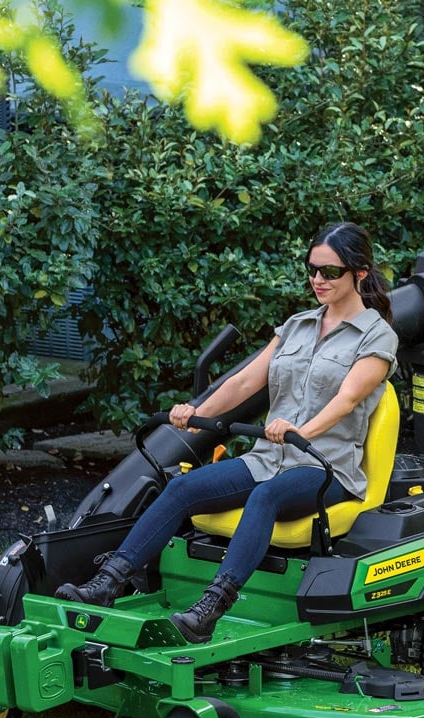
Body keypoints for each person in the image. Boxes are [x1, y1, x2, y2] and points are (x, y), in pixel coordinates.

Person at [55, 221, 399, 643]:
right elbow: (241, 384)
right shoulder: (297, 326)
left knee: (266, 496)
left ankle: (209, 608)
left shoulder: (377, 336)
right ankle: (106, 584)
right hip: (268, 458)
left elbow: (346, 400)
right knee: (183, 488)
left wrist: (299, 430)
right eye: (312, 269)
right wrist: (192, 411)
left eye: (330, 272)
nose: (317, 280)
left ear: (359, 273)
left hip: (325, 467)